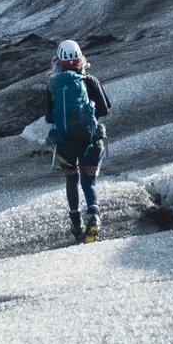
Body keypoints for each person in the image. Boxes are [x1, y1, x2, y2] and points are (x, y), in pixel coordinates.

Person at [46, 39, 111, 243]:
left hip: (65, 142)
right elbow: (104, 110)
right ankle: (93, 216)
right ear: (80, 58)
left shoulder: (53, 85)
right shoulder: (89, 81)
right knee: (88, 180)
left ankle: (76, 222)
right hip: (90, 139)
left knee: (71, 179)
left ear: (59, 61)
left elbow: (49, 117)